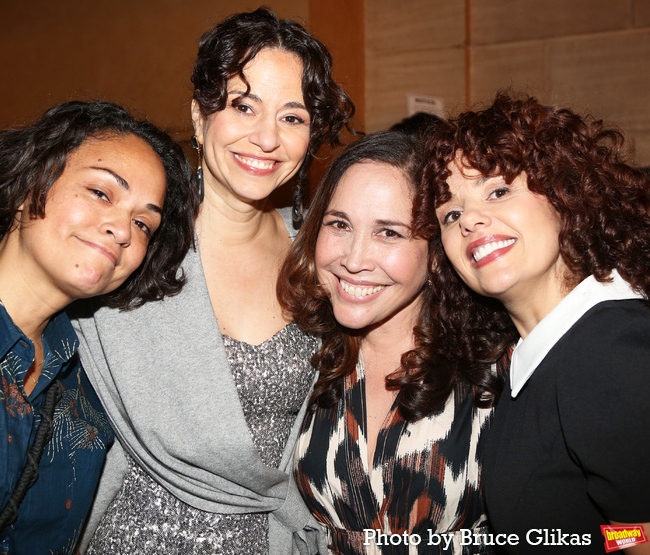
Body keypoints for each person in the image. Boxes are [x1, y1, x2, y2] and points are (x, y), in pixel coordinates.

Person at [73, 7, 355, 554]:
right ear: (200, 118)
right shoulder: (132, 245)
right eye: (243, 107)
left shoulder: (323, 251)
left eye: (292, 118)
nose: (266, 138)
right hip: (135, 536)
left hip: (268, 538)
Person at [0, 100, 194, 554]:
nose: (123, 229)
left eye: (143, 223)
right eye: (102, 193)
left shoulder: (94, 384)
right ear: (29, 183)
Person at [419, 92, 650, 554]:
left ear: (564, 193)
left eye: (498, 191)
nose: (470, 221)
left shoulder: (609, 348)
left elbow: (640, 534)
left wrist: (598, 541)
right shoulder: (542, 353)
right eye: (451, 214)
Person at [277, 130, 496, 555]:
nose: (354, 260)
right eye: (339, 224)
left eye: (389, 233)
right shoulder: (299, 356)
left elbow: (617, 523)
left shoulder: (498, 368)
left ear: (435, 252)